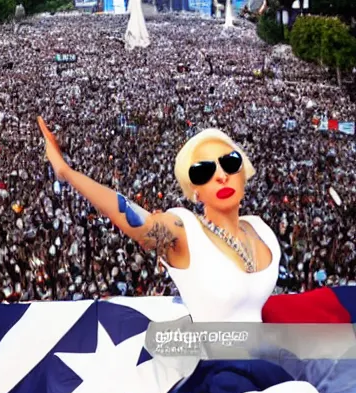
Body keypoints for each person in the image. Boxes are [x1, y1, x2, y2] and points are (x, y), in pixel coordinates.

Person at [37, 116, 280, 323]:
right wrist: (65, 171)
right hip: (217, 367)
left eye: (230, 163)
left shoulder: (261, 229)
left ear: (243, 171)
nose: (221, 176)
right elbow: (133, 217)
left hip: (263, 357)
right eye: (203, 171)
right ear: (194, 190)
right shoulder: (183, 229)